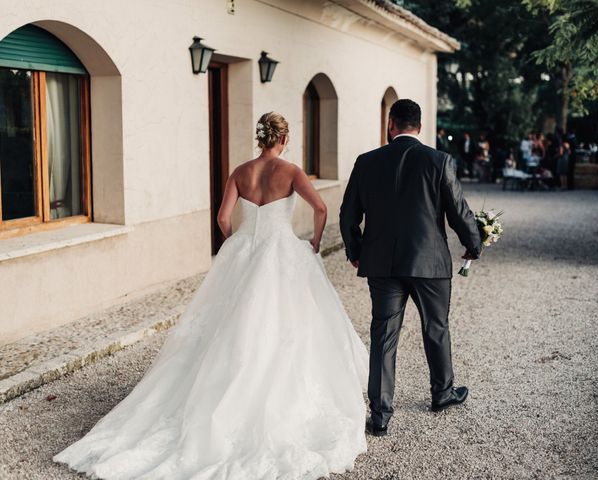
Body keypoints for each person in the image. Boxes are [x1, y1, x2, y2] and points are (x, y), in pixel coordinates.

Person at [54, 112, 369, 480]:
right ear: (284, 139)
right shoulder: (292, 171)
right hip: (281, 249)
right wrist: (313, 242)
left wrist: (235, 241)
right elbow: (321, 207)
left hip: (244, 252)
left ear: (260, 138)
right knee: (286, 327)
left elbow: (222, 216)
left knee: (225, 326)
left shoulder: (240, 172)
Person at [340, 99, 483, 438]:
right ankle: (442, 394)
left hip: (382, 264)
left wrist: (355, 249)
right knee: (436, 327)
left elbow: (348, 214)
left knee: (383, 335)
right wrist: (473, 244)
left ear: (391, 124)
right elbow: (458, 211)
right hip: (429, 262)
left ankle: (381, 414)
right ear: (419, 126)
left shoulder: (366, 162)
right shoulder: (439, 161)